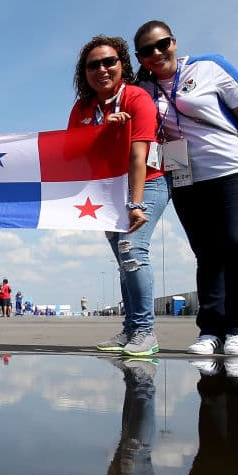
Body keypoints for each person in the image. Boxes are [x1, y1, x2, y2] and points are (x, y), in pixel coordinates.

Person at [134, 21, 238, 356]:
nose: (156, 53)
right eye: (146, 51)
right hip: (186, 180)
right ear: (139, 57)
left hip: (233, 170)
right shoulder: (144, 88)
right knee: (207, 255)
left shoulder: (209, 66)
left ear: (173, 42)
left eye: (161, 44)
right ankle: (210, 329)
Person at [68, 36, 169, 356]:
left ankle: (145, 331)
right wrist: (102, 133)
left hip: (147, 183)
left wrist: (136, 203)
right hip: (107, 190)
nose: (102, 69)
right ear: (84, 72)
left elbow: (139, 156)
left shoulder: (137, 99)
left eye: (109, 61)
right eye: (93, 65)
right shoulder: (82, 109)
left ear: (122, 64)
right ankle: (129, 330)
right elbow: (71, 154)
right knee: (123, 261)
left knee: (132, 250)